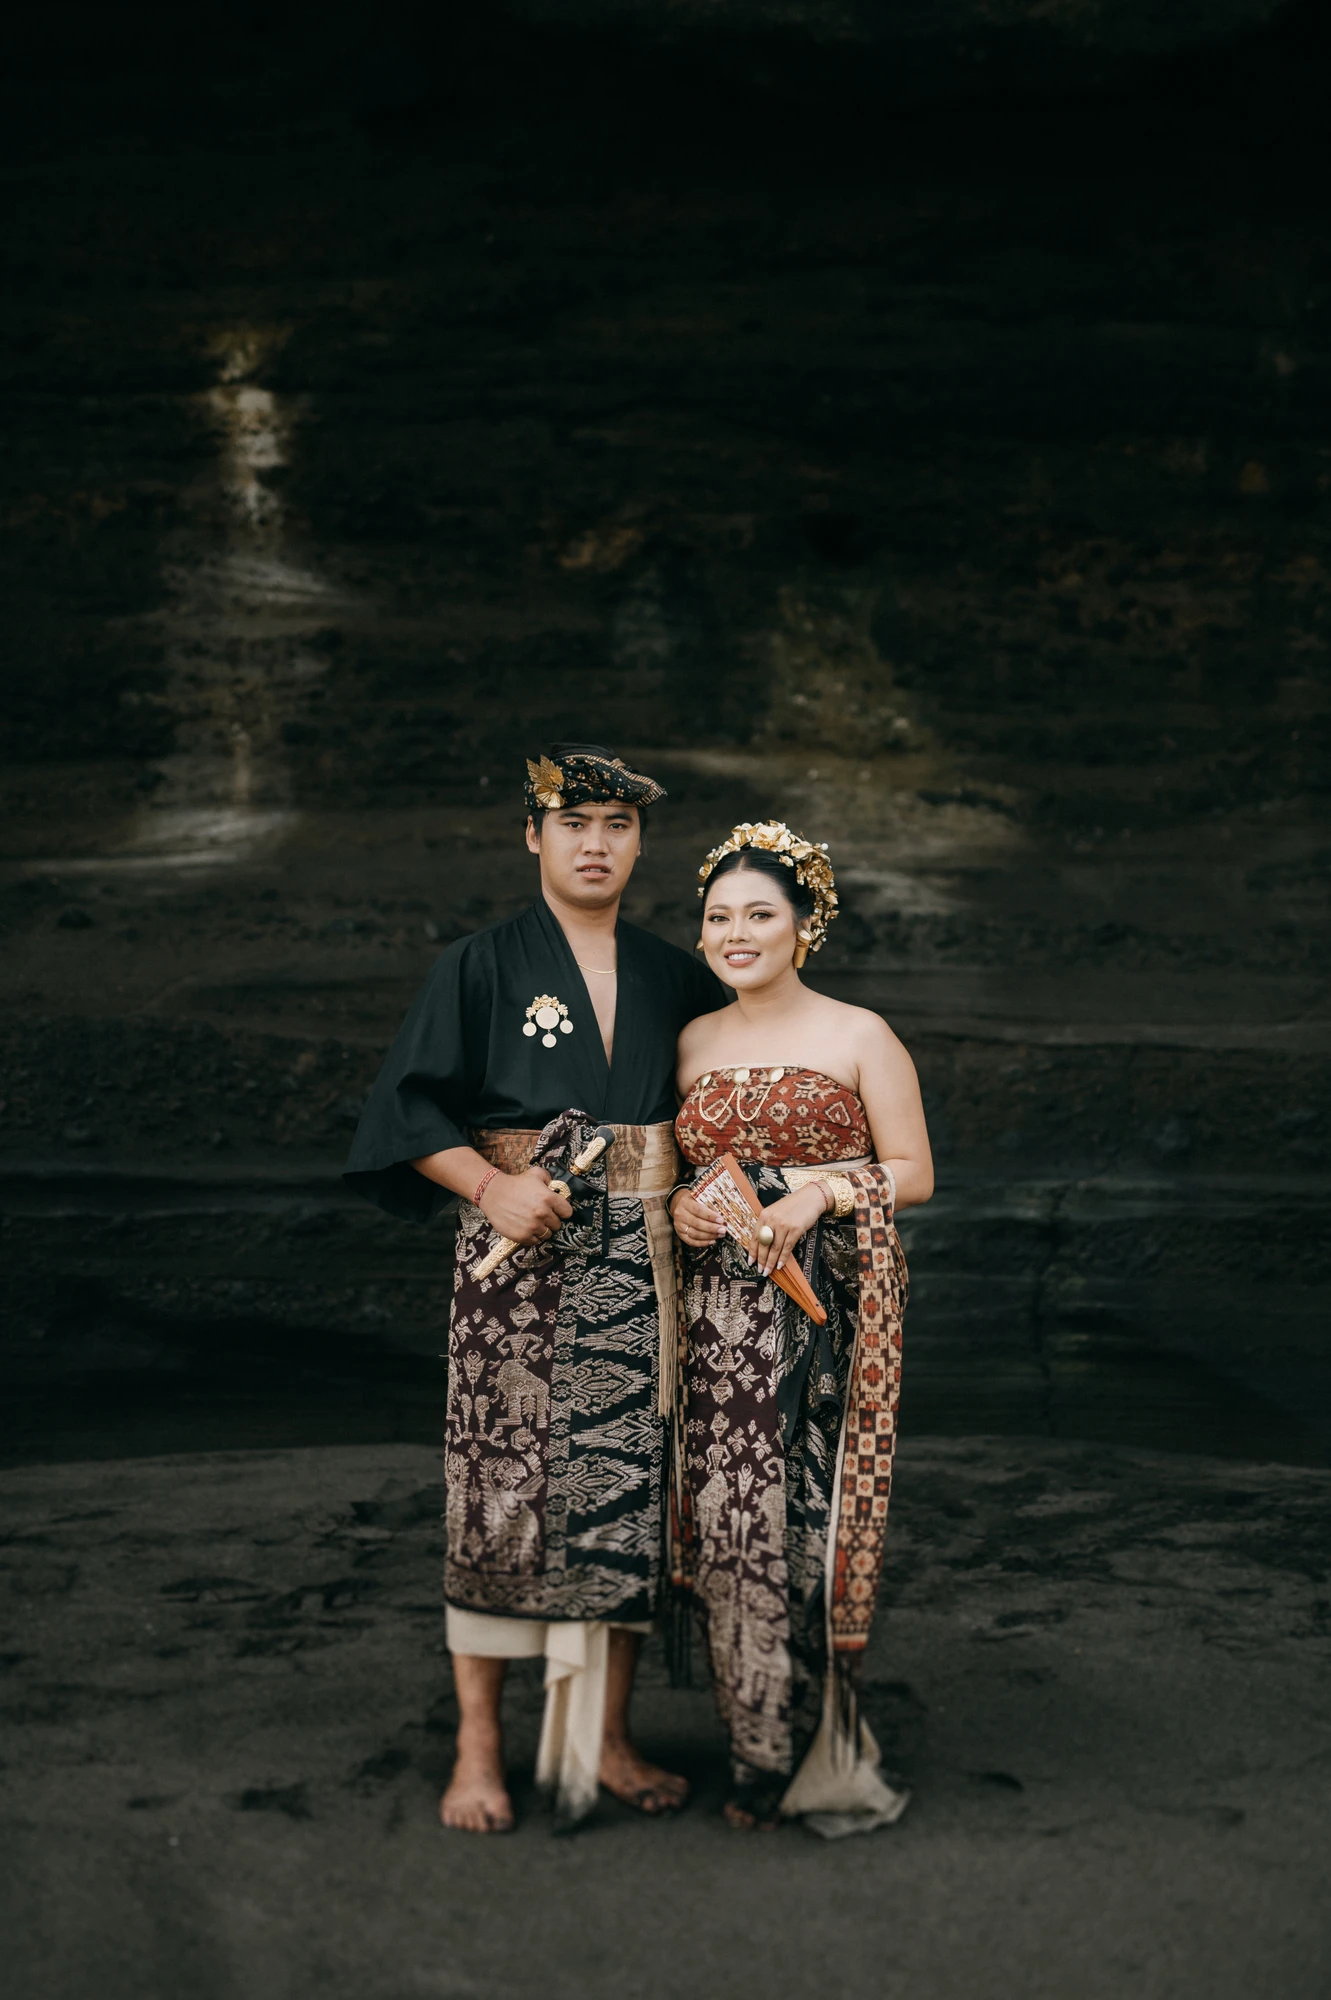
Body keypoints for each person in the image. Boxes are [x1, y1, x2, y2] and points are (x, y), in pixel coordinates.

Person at [344, 744, 724, 1833]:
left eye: (617, 825)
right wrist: (488, 1186)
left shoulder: (674, 973)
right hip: (518, 1263)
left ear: (639, 844)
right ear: (533, 836)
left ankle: (606, 1736)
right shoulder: (479, 965)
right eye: (573, 823)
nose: (595, 843)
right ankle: (478, 1744)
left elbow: (722, 1103)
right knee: (497, 1494)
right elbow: (407, 1106)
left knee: (622, 1493)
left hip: (645, 1266)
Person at [667, 821, 933, 1834]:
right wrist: (683, 1209)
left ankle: (828, 1736)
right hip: (717, 1318)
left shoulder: (859, 1033)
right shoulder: (691, 1041)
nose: (734, 934)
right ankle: (756, 1752)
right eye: (717, 917)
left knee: (811, 1523)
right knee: (732, 1521)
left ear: (803, 925)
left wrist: (817, 1193)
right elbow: (673, 1172)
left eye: (757, 914)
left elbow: (913, 1171)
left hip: (830, 1314)